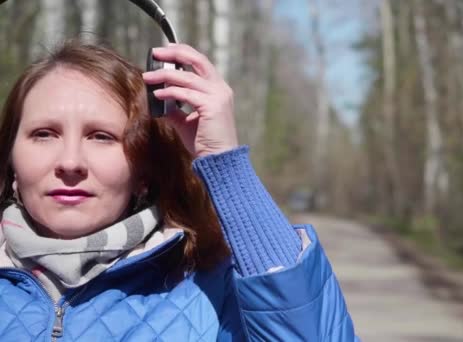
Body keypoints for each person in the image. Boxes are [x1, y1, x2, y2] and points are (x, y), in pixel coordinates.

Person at [0, 40, 357, 341]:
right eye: (43, 134)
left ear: (143, 171)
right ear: (12, 159)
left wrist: (226, 166)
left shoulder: (209, 288)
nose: (70, 161)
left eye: (101, 136)